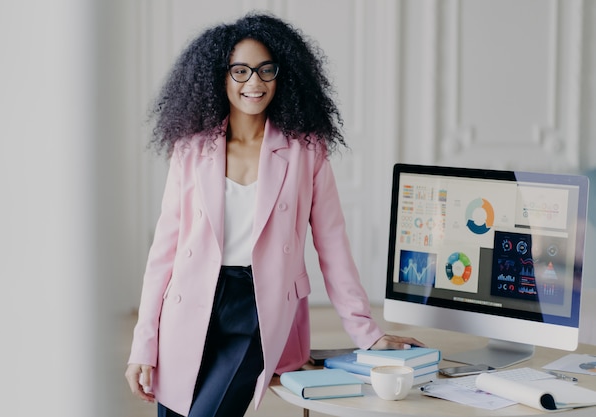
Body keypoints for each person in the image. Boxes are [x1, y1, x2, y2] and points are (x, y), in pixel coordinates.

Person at [125, 12, 424, 417]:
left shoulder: (306, 151)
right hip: (191, 301)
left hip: (258, 308)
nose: (255, 82)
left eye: (266, 70)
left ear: (283, 75)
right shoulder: (191, 150)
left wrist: (366, 333)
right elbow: (164, 250)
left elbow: (333, 247)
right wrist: (143, 343)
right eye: (241, 70)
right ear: (220, 76)